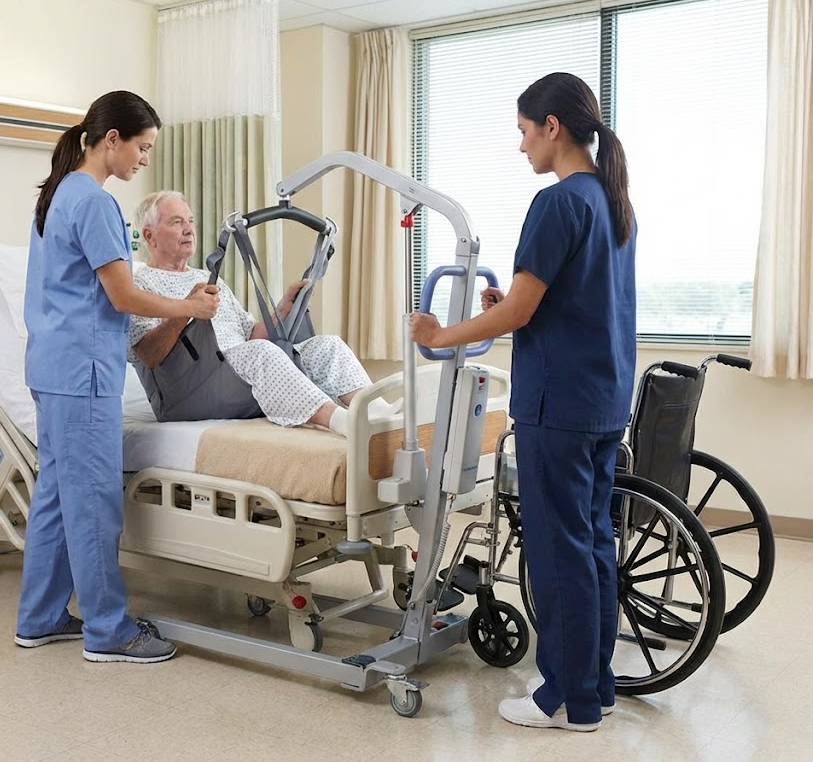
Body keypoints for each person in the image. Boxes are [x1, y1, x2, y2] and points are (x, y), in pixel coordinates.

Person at [410, 72, 636, 731]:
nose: (521, 147)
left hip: (557, 403)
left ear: (552, 127)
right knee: (591, 545)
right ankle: (593, 685)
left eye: (522, 131)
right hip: (601, 398)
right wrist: (508, 308)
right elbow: (561, 302)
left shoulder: (557, 203)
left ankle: (563, 698)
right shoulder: (613, 200)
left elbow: (523, 307)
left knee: (557, 550)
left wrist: (441, 333)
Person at [14, 92, 219, 664]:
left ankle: (40, 618)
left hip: (53, 368)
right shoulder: (95, 203)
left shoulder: (55, 194)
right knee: (94, 502)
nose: (144, 160)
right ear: (112, 140)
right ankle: (108, 631)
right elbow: (122, 294)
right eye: (143, 147)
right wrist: (187, 308)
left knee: (56, 497)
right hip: (83, 373)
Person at [126, 191, 400, 435]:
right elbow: (147, 354)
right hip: (186, 393)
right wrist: (186, 310)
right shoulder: (140, 284)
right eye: (176, 222)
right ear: (149, 235)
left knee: (326, 346)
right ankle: (340, 421)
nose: (189, 230)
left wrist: (283, 308)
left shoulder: (210, 279)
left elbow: (251, 334)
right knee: (259, 352)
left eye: (191, 221)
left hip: (235, 376)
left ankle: (374, 411)